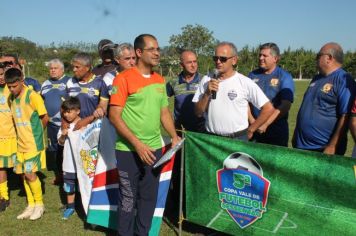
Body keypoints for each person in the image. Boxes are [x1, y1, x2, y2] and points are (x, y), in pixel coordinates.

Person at [109, 34, 180, 236]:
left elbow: (164, 112)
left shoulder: (159, 79)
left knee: (148, 199)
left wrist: (173, 136)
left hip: (154, 151)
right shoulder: (123, 79)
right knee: (128, 200)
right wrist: (137, 145)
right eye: (152, 49)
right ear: (139, 52)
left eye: (158, 49)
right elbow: (114, 116)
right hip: (128, 151)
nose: (157, 53)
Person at [193, 41, 274, 140]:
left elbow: (268, 108)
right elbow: (198, 112)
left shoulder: (244, 82)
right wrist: (206, 94)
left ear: (234, 60)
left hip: (237, 139)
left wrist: (251, 129)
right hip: (211, 139)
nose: (218, 61)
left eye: (223, 59)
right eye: (215, 58)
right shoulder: (206, 80)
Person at [293, 42, 355, 155]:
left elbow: (345, 116)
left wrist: (332, 146)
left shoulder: (343, 80)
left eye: (318, 55)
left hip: (323, 148)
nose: (316, 59)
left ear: (329, 58)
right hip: (301, 146)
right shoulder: (316, 78)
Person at [5, 68, 48, 220]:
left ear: (22, 81)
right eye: (9, 86)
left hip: (32, 145)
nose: (11, 89)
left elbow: (45, 117)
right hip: (20, 144)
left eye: (14, 86)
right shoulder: (11, 98)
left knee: (30, 174)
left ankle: (39, 205)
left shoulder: (33, 96)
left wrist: (36, 134)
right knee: (23, 175)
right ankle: (30, 205)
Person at [248, 43, 294, 146]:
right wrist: (252, 121)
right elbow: (245, 100)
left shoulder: (284, 76)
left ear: (275, 58)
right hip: (254, 129)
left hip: (276, 130)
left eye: (265, 56)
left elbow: (286, 104)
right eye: (260, 55)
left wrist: (266, 124)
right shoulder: (252, 75)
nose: (260, 58)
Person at [40, 59, 70, 185]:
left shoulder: (69, 81)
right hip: (51, 124)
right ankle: (60, 175)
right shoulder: (45, 83)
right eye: (51, 68)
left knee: (66, 149)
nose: (52, 70)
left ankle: (68, 175)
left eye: (55, 68)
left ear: (62, 70)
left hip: (65, 123)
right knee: (54, 149)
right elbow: (41, 100)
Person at [166, 50, 205, 133]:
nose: (193, 65)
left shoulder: (204, 80)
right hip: (180, 131)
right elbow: (162, 103)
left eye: (195, 61)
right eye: (189, 62)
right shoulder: (173, 82)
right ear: (181, 65)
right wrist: (170, 121)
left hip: (202, 131)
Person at [67, 52, 109, 129]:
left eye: (77, 67)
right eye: (73, 67)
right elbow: (64, 107)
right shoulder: (70, 82)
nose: (74, 70)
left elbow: (103, 106)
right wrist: (64, 125)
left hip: (92, 127)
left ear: (87, 67)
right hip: (73, 128)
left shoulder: (100, 83)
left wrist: (88, 119)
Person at [57, 97, 81, 220]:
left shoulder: (85, 124)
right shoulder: (63, 127)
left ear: (78, 111)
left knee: (84, 185)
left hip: (82, 164)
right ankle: (70, 207)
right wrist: (63, 135)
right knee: (69, 186)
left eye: (70, 111)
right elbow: (60, 143)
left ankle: (85, 206)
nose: (67, 114)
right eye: (65, 112)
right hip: (68, 164)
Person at [0, 64, 16, 212]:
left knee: (22, 168)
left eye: (1, 74)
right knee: (0, 168)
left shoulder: (12, 90)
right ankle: (3, 197)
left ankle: (33, 199)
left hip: (12, 136)